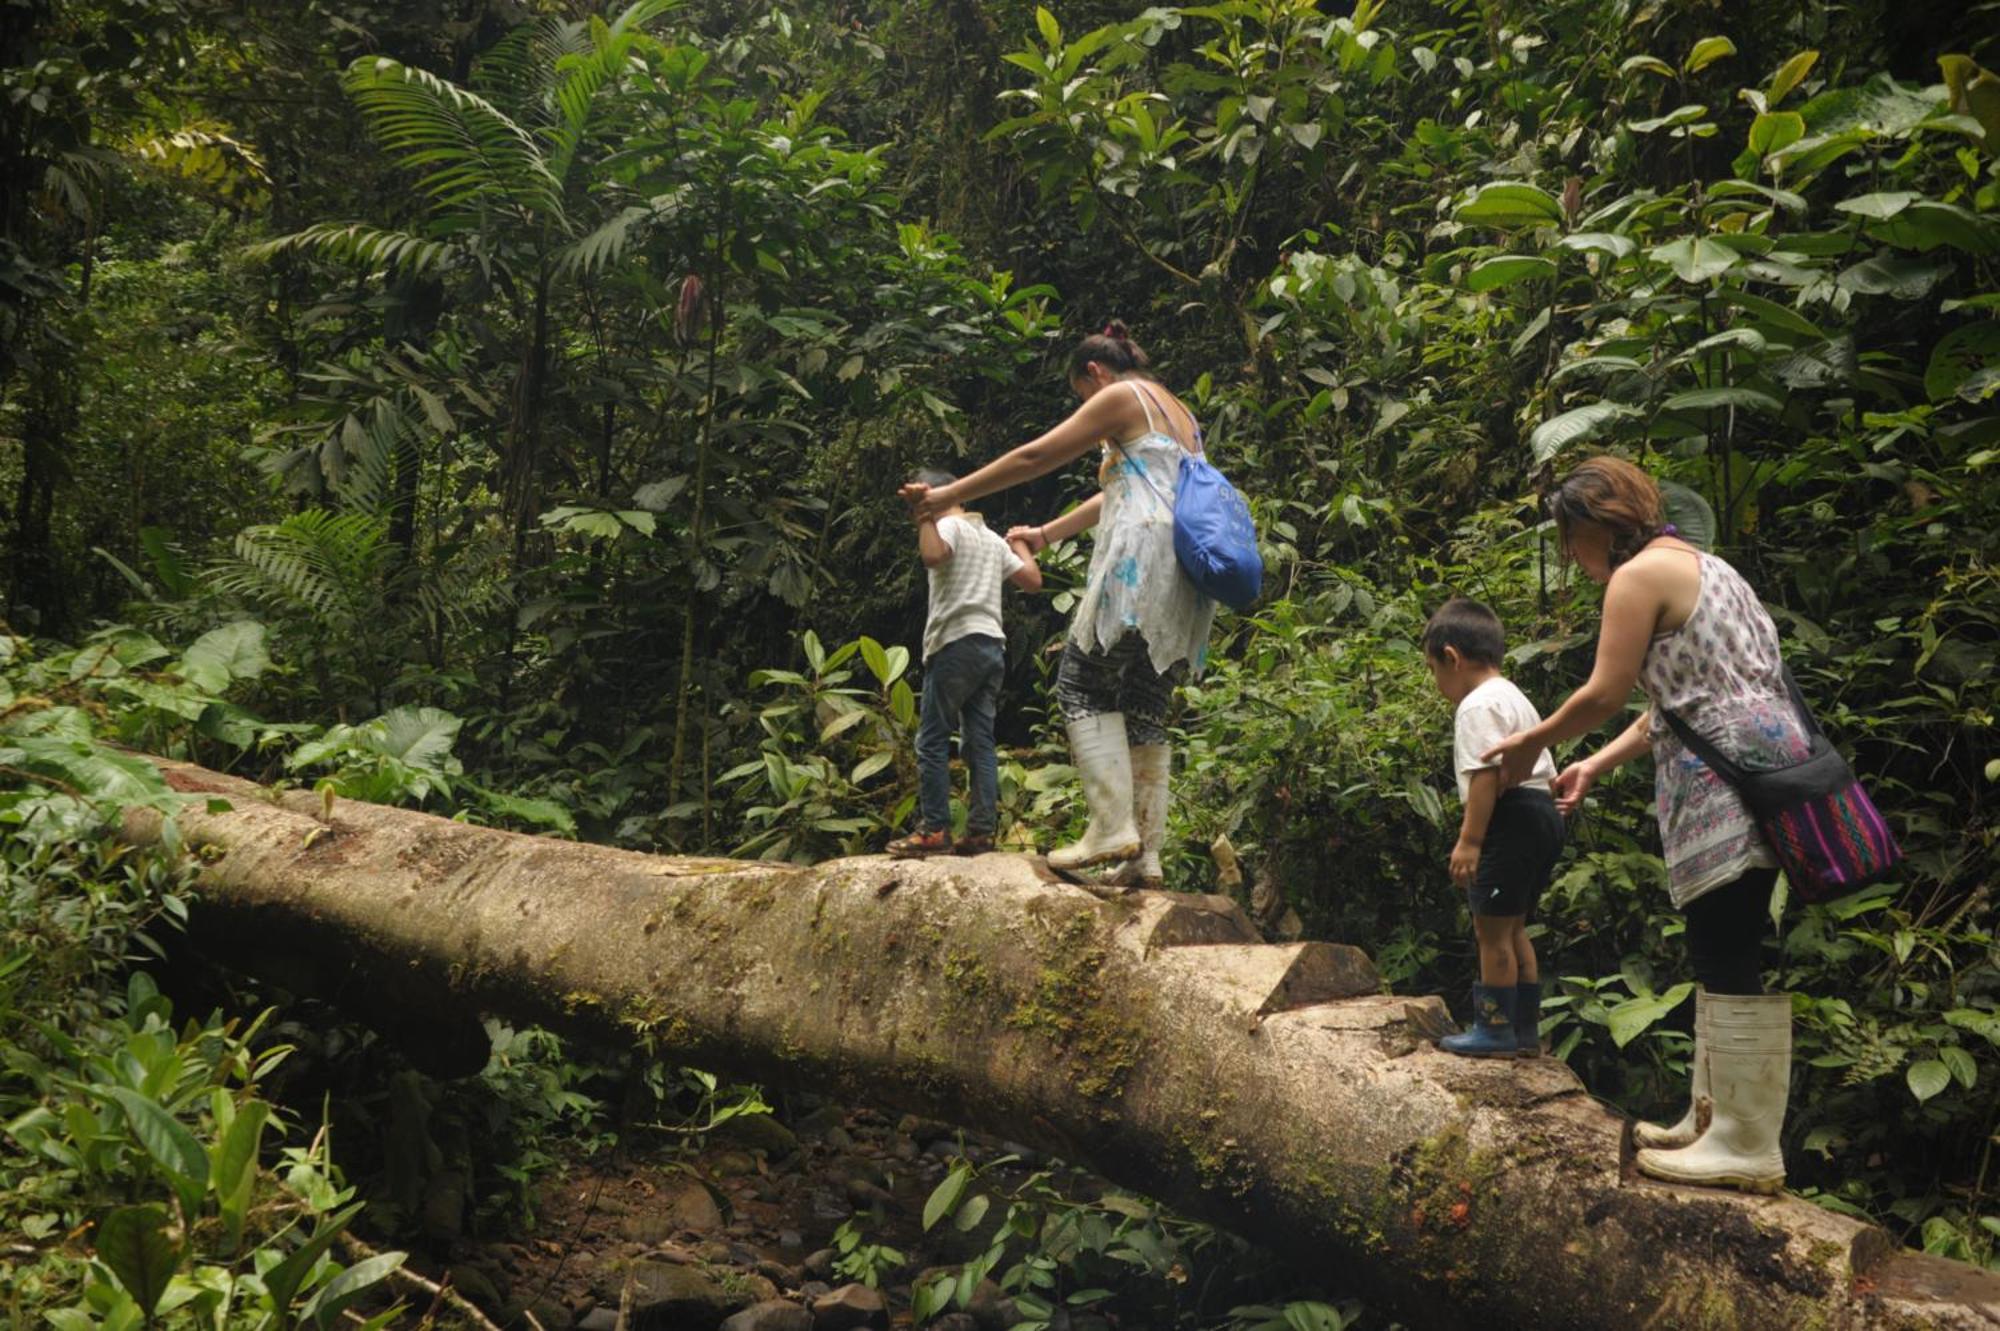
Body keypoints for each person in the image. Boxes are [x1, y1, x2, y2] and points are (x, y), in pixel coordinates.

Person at [1481, 455, 1813, 1193]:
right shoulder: (1710, 567)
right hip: (1768, 767)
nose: (1574, 559)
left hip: (1722, 783)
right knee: (1724, 944)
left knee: (1724, 948)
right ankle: (1713, 1117)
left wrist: (1537, 740)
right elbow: (1678, 703)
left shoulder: (1636, 578)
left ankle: (1746, 1143)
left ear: (1597, 526)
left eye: (1571, 542)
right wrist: (1594, 764)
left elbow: (1604, 690)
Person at [899, 323, 1215, 887]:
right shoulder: (1180, 413)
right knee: (1143, 702)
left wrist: (948, 495)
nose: (1086, 407)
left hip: (1139, 560)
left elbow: (1034, 455)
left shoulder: (1122, 395)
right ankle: (1145, 859)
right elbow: (1121, 489)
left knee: (1080, 683)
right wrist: (1046, 532)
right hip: (1184, 566)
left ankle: (1110, 829)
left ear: (1095, 373)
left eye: (1080, 395)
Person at [1421, 598, 1565, 1058]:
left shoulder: (1476, 706)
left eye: (1434, 670)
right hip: (1543, 812)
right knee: (1515, 926)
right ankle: (1524, 1032)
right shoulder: (1513, 695)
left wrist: (1470, 839)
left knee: (1492, 933)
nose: (1438, 683)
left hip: (1510, 818)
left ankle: (1494, 1030)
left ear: (1452, 658)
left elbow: (1484, 776)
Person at [887, 469, 1042, 859]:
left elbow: (933, 555)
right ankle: (980, 831)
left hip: (955, 642)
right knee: (980, 741)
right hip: (992, 648)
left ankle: (935, 828)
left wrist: (925, 517)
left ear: (934, 497)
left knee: (933, 738)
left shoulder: (948, 527)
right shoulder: (990, 538)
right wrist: (1020, 543)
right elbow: (1032, 580)